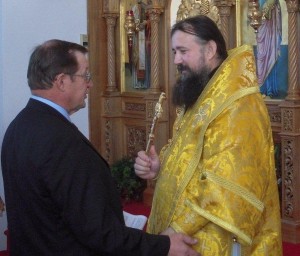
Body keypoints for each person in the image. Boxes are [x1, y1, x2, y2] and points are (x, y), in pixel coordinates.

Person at [1, 39, 200, 256]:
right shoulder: (61, 142)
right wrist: (164, 246)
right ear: (61, 81)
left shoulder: (18, 127)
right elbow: (99, 233)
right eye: (85, 75)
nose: (90, 84)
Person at [134, 15, 282, 255]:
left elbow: (225, 184)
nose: (176, 60)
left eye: (183, 51)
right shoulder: (205, 90)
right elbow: (192, 156)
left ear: (211, 49)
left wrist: (174, 232)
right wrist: (160, 166)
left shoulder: (237, 104)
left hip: (214, 238)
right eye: (174, 52)